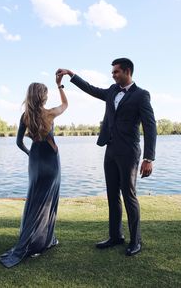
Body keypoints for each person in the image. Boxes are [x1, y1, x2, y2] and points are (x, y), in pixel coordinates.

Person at [56, 58, 157, 256]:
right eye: (112, 72)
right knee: (112, 194)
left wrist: (149, 158)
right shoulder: (112, 90)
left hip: (129, 152)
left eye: (116, 72)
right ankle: (115, 236)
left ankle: (135, 241)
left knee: (129, 195)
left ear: (127, 71)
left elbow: (150, 126)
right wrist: (71, 75)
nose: (113, 75)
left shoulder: (141, 95)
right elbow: (91, 89)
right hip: (110, 150)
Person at [0, 74, 68, 268]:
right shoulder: (50, 113)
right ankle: (41, 242)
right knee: (48, 201)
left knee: (35, 201)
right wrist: (60, 86)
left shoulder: (25, 116)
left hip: (35, 161)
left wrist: (30, 153)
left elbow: (18, 142)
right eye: (46, 94)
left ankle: (40, 239)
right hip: (52, 161)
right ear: (42, 97)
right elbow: (65, 105)